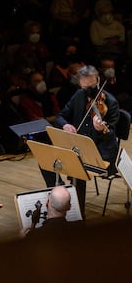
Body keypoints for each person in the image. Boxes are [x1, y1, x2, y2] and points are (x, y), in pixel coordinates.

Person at [54, 65, 119, 218]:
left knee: (78, 168)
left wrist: (99, 129)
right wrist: (65, 125)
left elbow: (111, 136)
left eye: (92, 87)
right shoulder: (79, 95)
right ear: (80, 85)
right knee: (49, 160)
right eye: (85, 88)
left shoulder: (110, 102)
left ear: (98, 80)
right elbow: (60, 116)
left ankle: (78, 215)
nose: (89, 92)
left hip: (101, 152)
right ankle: (60, 197)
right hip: (79, 148)